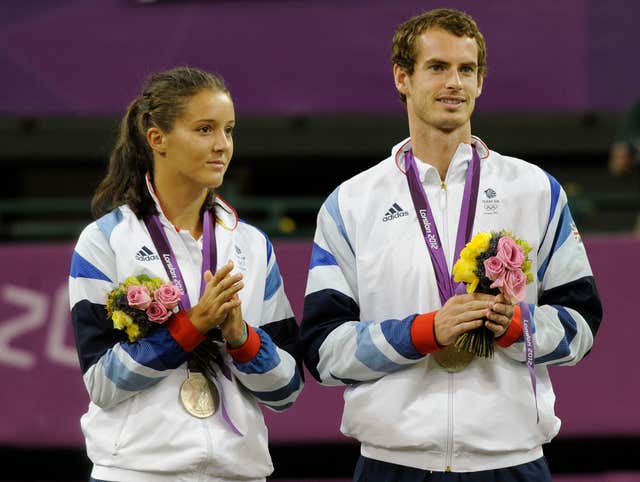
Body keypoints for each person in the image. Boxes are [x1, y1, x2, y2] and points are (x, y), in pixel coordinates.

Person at [300, 8, 602, 481]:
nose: (455, 83)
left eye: (467, 70)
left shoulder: (536, 191)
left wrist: (515, 327)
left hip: (511, 460)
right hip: (394, 463)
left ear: (481, 82)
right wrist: (424, 332)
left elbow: (581, 326)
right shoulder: (352, 203)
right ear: (403, 77)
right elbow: (323, 351)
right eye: (437, 67)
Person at [69, 66, 303, 482]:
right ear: (157, 139)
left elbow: (288, 391)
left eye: (229, 130)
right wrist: (190, 327)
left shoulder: (251, 245)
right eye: (204, 129)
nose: (222, 146)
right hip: (137, 471)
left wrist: (241, 338)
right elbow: (102, 384)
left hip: (239, 472)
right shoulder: (105, 241)